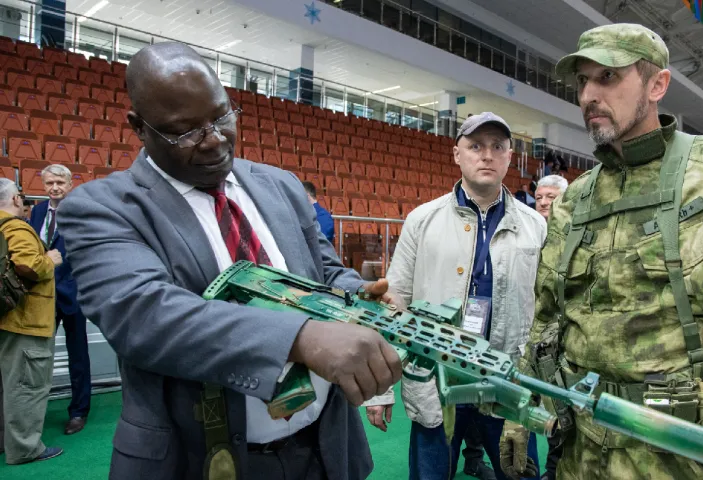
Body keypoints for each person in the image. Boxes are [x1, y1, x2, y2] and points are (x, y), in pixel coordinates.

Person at [56, 42, 402, 480]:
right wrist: (301, 337)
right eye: (186, 131)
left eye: (222, 116)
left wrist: (361, 297)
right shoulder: (102, 207)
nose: (216, 138)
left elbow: (324, 271)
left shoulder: (280, 185)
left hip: (325, 448)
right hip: (197, 461)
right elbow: (145, 316)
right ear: (139, 128)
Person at [501, 24, 703, 480]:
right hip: (583, 457)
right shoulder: (575, 201)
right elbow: (549, 321)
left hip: (687, 462)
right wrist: (522, 406)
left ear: (657, 85)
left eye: (608, 77)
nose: (589, 95)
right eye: (583, 82)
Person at [364, 112, 547, 480]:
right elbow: (392, 303)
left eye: (498, 147)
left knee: (520, 474)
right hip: (436, 378)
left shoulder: (535, 225)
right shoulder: (422, 219)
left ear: (510, 157)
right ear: (456, 154)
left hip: (507, 378)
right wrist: (379, 391)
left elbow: (547, 309)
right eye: (475, 146)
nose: (487, 155)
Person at [0, 178, 64, 464]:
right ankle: (25, 449)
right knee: (27, 385)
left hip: (5, 317)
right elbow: (29, 264)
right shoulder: (14, 226)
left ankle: (6, 441)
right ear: (15, 200)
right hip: (25, 320)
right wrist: (49, 259)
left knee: (7, 384)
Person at [28, 164, 92, 435]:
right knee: (39, 356)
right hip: (43, 295)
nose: (54, 187)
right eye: (50, 183)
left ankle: (78, 412)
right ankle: (32, 413)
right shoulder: (38, 211)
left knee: (78, 356)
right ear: (44, 185)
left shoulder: (81, 211)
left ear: (70, 185)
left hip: (74, 294)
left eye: (60, 183)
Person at [529, 173, 568, 480]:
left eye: (550, 197)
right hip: (530, 328)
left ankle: (554, 469)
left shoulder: (573, 233)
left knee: (560, 403)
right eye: (539, 197)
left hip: (562, 332)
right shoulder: (528, 229)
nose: (542, 202)